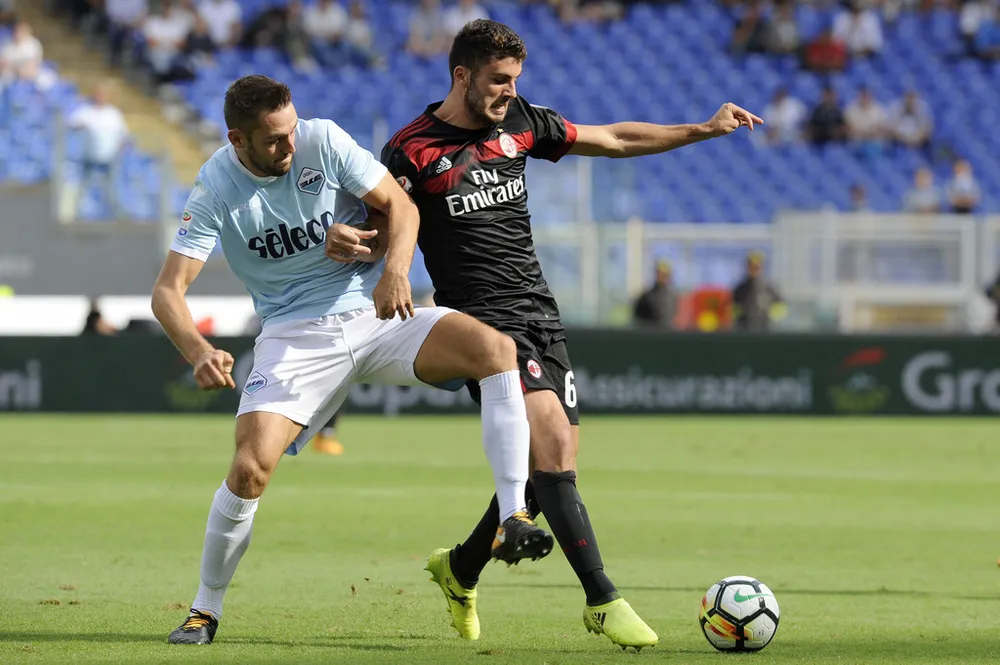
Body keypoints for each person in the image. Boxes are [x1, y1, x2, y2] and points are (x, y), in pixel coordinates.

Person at [380, 19, 762, 651]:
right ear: (461, 75)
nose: (508, 91)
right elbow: (380, 221)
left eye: (514, 81)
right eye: (498, 81)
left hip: (540, 314)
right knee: (553, 447)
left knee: (546, 473)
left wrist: (701, 128)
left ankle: (460, 568)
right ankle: (602, 599)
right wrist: (373, 256)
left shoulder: (522, 122)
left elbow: (611, 138)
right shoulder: (413, 150)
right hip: (483, 325)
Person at [152, 75, 553, 646]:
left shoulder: (323, 140)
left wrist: (390, 269)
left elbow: (402, 209)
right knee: (248, 470)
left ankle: (512, 516)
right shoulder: (216, 184)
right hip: (294, 335)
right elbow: (167, 292)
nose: (290, 146)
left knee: (497, 350)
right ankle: (204, 609)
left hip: (375, 313)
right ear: (237, 140)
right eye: (273, 140)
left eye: (291, 131)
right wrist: (199, 350)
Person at [731, 251, 785, 332]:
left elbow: (781, 304)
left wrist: (771, 318)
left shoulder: (770, 287)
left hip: (766, 329)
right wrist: (739, 318)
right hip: (746, 329)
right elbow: (733, 307)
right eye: (751, 267)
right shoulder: (740, 289)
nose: (754, 270)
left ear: (761, 267)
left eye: (757, 267)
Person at [633, 260, 678, 328]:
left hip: (667, 333)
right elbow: (638, 320)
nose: (662, 277)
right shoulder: (646, 297)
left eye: (664, 274)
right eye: (660, 273)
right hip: (650, 333)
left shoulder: (673, 297)